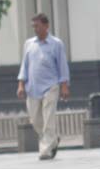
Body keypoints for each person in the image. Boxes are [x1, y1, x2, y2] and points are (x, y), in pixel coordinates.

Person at [17, 13, 71, 161]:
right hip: (32, 88)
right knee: (35, 120)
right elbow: (25, 65)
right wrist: (21, 84)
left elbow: (62, 66)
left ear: (46, 26)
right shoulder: (29, 44)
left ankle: (45, 150)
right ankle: (53, 139)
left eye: (38, 26)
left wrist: (64, 86)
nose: (35, 29)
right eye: (33, 26)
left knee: (48, 119)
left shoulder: (56, 43)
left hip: (51, 87)